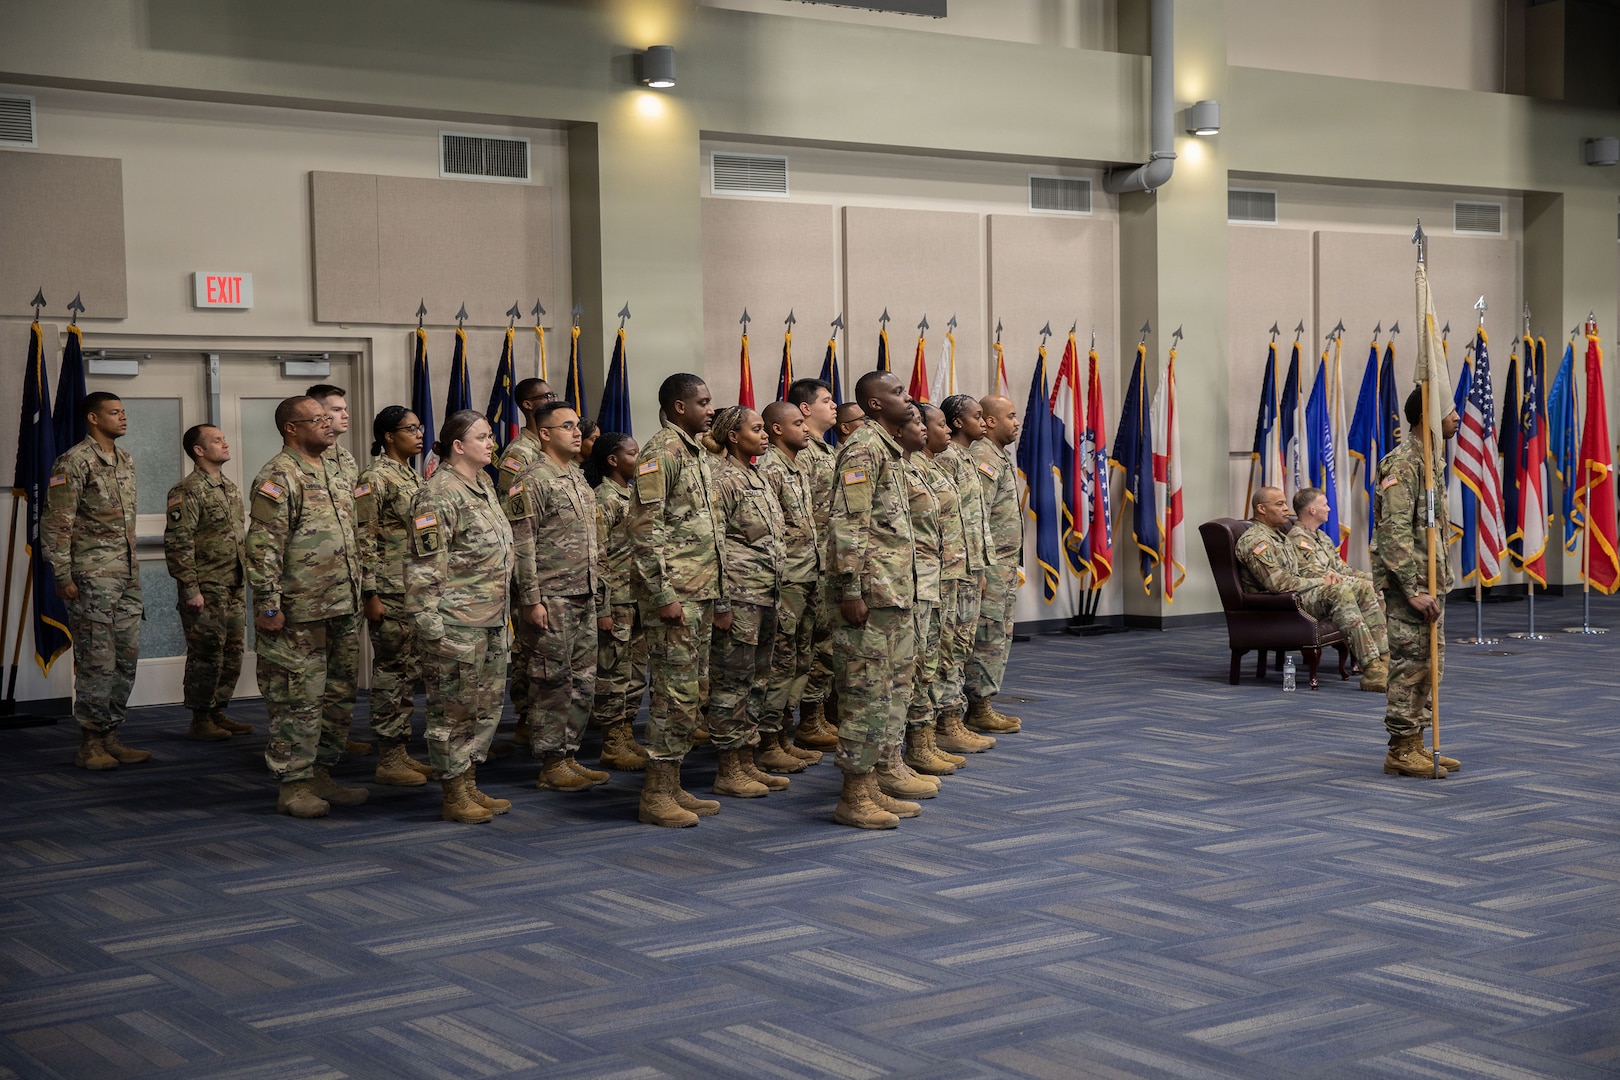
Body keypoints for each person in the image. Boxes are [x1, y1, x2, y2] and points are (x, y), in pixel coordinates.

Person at [246, 395, 367, 818]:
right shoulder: (278, 476)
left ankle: (321, 773)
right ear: (291, 428)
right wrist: (268, 603)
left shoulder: (336, 468)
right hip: (300, 610)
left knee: (338, 695)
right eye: (316, 420)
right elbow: (263, 546)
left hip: (342, 604)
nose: (328, 425)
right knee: (298, 699)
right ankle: (293, 784)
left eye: (327, 418)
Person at [406, 410, 518, 822]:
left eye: (491, 436)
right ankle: (453, 793)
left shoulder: (484, 483)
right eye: (484, 437)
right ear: (458, 446)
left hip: (490, 620)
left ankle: (469, 782)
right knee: (452, 712)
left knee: (484, 709)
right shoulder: (437, 494)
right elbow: (424, 566)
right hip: (455, 624)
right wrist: (432, 629)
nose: (492, 443)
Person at [627, 373, 725, 827]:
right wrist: (662, 593)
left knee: (691, 692)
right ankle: (655, 794)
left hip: (699, 592)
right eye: (703, 402)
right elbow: (645, 531)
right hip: (675, 597)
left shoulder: (695, 452)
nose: (711, 409)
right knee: (674, 695)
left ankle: (672, 782)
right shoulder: (661, 453)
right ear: (679, 407)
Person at [828, 371, 921, 829]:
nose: (908, 398)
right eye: (898, 392)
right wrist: (850, 589)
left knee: (889, 690)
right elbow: (849, 524)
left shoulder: (886, 449)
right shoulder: (862, 448)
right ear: (875, 404)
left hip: (892, 592)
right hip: (868, 593)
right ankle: (853, 795)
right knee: (864, 693)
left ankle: (875, 780)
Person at [43, 391, 147, 770]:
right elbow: (57, 523)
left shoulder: (125, 459)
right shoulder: (73, 461)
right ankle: (90, 743)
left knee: (126, 660)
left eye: (123, 412)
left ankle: (111, 735)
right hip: (91, 579)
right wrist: (62, 574)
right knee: (96, 661)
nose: (122, 418)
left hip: (127, 576)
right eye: (114, 412)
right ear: (92, 418)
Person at [508, 402, 606, 792]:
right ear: (544, 433)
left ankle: (568, 754)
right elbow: (522, 543)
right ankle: (550, 761)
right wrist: (530, 599)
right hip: (551, 597)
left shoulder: (578, 478)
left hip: (584, 593)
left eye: (577, 425)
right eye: (566, 426)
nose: (577, 432)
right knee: (551, 681)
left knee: (582, 681)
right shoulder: (530, 480)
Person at [1372, 388, 1461, 778]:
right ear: (1428, 416)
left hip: (1430, 584)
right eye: (1449, 411)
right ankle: (1400, 749)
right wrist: (1412, 589)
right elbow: (1393, 533)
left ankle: (1418, 742)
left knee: (1429, 666)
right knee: (1409, 666)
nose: (1456, 417)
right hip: (1412, 589)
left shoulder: (1430, 460)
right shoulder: (1404, 463)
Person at [705, 406, 791, 798]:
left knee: (757, 681)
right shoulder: (722, 480)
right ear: (734, 436)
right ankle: (727, 767)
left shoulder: (755, 475)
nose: (765, 435)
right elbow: (714, 545)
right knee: (731, 683)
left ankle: (745, 759)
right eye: (757, 430)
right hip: (738, 598)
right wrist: (720, 603)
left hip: (765, 596)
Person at [1237, 486, 1388, 692]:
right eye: (1279, 504)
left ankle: (1384, 659)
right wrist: (1321, 582)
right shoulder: (1256, 541)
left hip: (1297, 596)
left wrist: (1327, 577)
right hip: (1278, 605)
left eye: (1285, 503)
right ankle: (1372, 670)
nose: (1286, 509)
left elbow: (1303, 572)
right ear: (1261, 509)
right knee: (1339, 591)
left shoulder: (1278, 536)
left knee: (1360, 588)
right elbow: (1278, 584)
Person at [356, 406, 436, 786]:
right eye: (410, 428)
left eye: (420, 428)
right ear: (388, 436)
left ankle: (401, 750)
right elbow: (364, 537)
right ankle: (388, 757)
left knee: (409, 671)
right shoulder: (375, 477)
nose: (419, 434)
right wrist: (370, 592)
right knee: (392, 672)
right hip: (388, 589)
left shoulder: (411, 475)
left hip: (413, 589)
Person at [164, 423, 249, 743]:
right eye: (217, 441)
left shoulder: (229, 487)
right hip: (206, 585)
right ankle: (200, 717)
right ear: (199, 451)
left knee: (233, 651)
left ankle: (216, 711)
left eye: (224, 439)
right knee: (207, 653)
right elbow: (178, 542)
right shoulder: (187, 490)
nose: (225, 444)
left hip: (233, 582)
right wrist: (190, 588)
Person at [904, 402, 972, 776]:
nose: (945, 431)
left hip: (941, 576)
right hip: (918, 581)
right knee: (920, 662)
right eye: (939, 424)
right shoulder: (905, 467)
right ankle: (917, 742)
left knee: (937, 657)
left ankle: (928, 736)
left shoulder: (929, 466)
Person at [757, 400, 824, 770]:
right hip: (786, 581)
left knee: (800, 659)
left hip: (807, 575)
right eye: (798, 423)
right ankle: (767, 739)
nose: (805, 428)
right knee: (779, 662)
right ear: (777, 429)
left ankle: (783, 730)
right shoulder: (770, 469)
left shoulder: (796, 468)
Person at [306, 383, 370, 757]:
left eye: (345, 408)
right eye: (335, 409)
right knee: (308, 679)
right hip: (312, 590)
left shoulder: (345, 460)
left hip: (347, 585)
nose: (344, 414)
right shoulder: (290, 469)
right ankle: (306, 751)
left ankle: (334, 741)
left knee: (343, 675)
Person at [494, 377, 557, 754]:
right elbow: (516, 515)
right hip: (532, 561)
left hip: (557, 564)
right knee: (530, 647)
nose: (551, 399)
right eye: (544, 397)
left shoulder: (551, 447)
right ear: (528, 406)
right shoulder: (520, 454)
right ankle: (525, 713)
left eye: (553, 394)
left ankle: (543, 715)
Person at [885, 408, 944, 800]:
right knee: (897, 676)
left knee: (922, 667)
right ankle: (892, 760)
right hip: (901, 585)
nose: (923, 429)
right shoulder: (884, 463)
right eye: (919, 423)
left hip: (923, 580)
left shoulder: (916, 467)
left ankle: (916, 746)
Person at [932, 394, 995, 756]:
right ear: (958, 423)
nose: (984, 422)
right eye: (977, 416)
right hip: (950, 570)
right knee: (948, 647)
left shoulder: (966, 458)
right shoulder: (946, 459)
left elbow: (975, 518)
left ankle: (952, 719)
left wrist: (980, 567)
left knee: (962, 644)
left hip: (969, 567)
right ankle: (945, 722)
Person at [584, 432, 650, 772]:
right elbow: (597, 558)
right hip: (618, 600)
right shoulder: (604, 499)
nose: (639, 459)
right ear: (613, 460)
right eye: (633, 453)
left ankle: (626, 734)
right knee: (613, 673)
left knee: (636, 673)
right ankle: (611, 741)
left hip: (639, 597)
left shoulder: (634, 496)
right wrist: (603, 608)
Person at [785, 378, 840, 753]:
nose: (834, 405)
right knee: (797, 647)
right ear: (805, 409)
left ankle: (814, 714)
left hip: (824, 564)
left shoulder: (825, 451)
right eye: (826, 400)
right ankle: (797, 721)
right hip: (802, 565)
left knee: (821, 646)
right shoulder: (801, 454)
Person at [965, 393, 1023, 735]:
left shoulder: (996, 457)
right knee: (986, 636)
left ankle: (982, 702)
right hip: (990, 566)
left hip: (1003, 565)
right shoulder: (983, 458)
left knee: (998, 634)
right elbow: (977, 517)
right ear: (988, 421)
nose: (1016, 422)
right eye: (1010, 416)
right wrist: (983, 568)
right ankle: (978, 705)